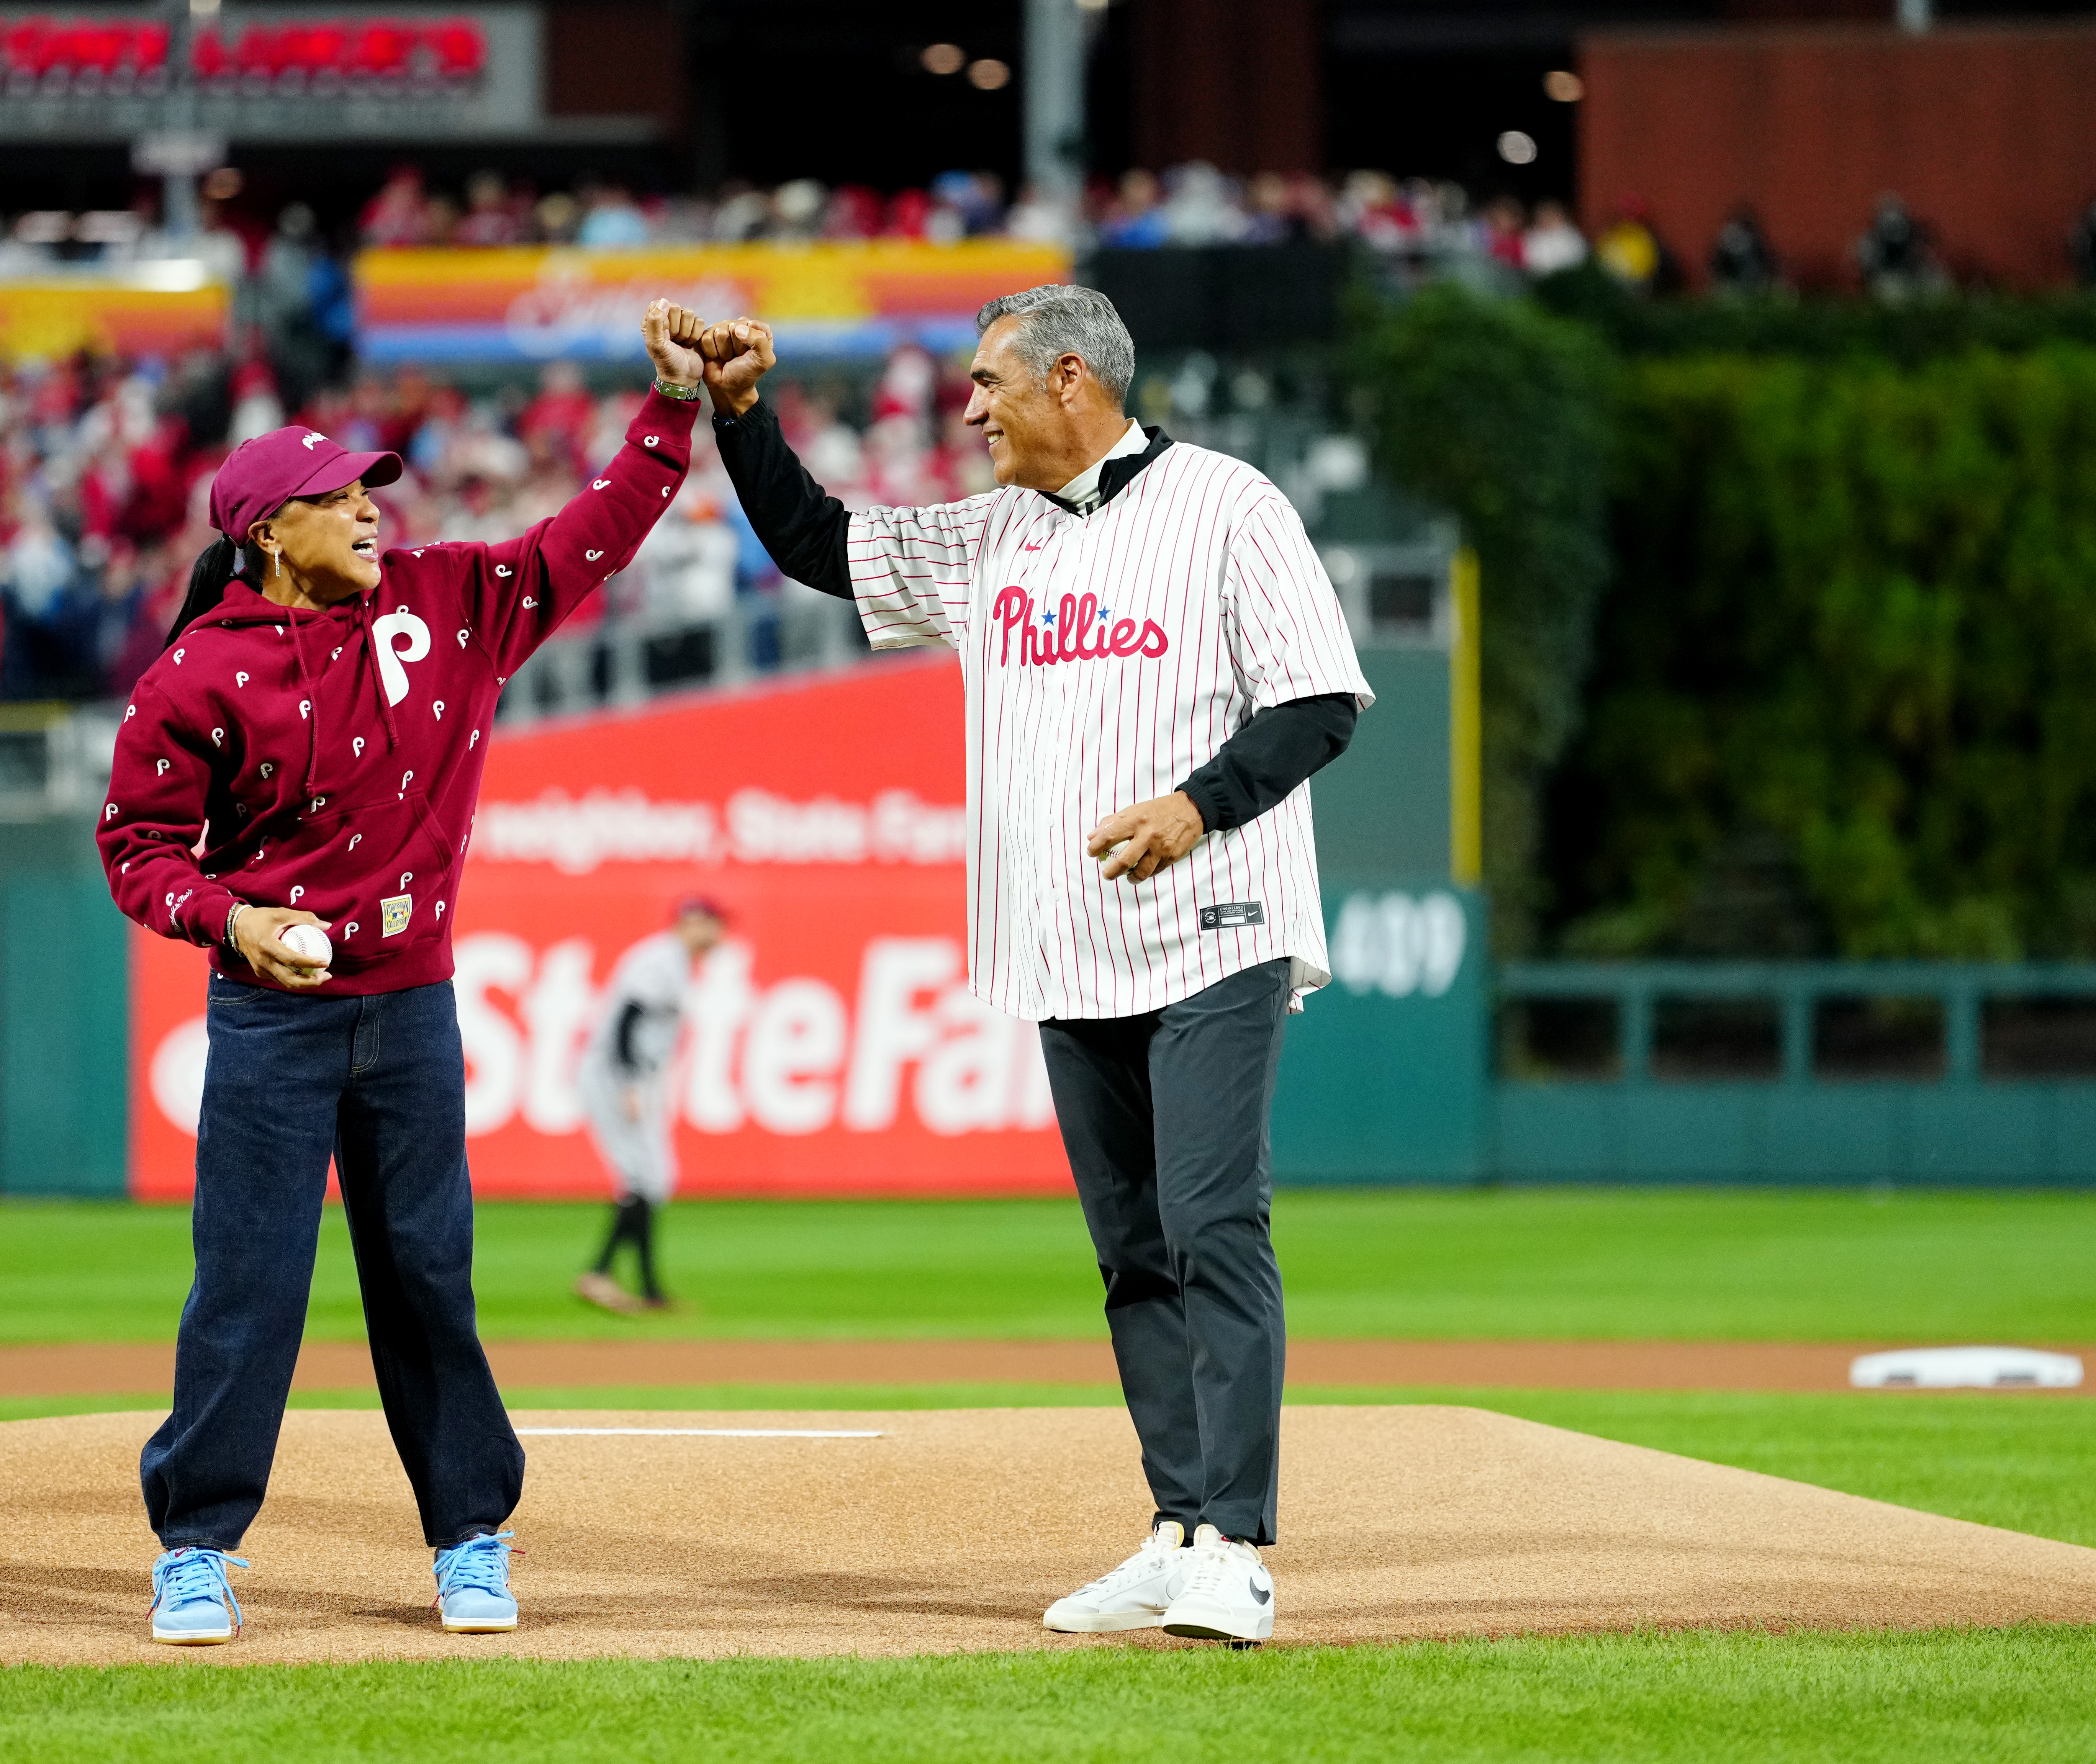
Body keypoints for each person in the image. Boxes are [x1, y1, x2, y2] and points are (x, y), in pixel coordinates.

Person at [696, 285, 1368, 1646]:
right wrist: (736, 412)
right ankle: (1176, 1523)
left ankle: (1235, 1546)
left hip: (1214, 924)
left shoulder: (1228, 505)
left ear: (1070, 379)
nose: (967, 408)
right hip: (1062, 940)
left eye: (987, 384)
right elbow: (816, 542)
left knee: (1208, 1221)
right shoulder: (985, 536)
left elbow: (1316, 697)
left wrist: (1195, 804)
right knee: (1129, 1252)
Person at [97, 298, 711, 1646]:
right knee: (248, 1280)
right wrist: (229, 920)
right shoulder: (195, 673)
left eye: (373, 488)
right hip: (273, 1015)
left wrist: (669, 414)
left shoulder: (449, 600)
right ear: (268, 533)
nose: (375, 509)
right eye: (340, 497)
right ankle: (196, 1545)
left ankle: (470, 1535)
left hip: (412, 1006)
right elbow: (134, 847)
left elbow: (585, 539)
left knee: (429, 1272)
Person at [573, 895, 727, 1314]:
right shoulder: (661, 959)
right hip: (617, 1075)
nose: (718, 933)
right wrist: (628, 1084)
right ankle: (606, 1276)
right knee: (645, 1177)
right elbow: (628, 1017)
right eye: (713, 923)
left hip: (635, 1076)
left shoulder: (675, 961)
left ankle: (641, 1287)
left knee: (652, 1179)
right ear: (691, 922)